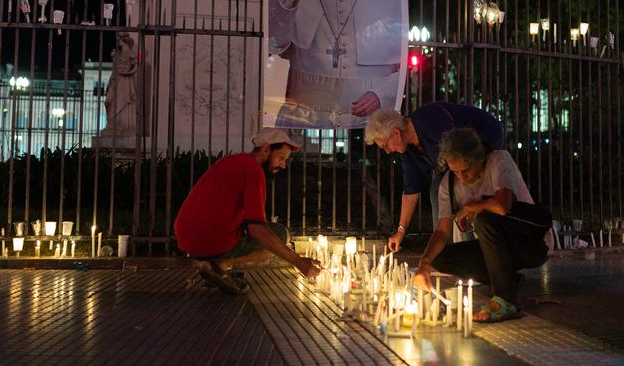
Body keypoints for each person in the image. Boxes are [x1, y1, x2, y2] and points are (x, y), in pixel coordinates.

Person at [412, 128, 551, 322]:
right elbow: (442, 232)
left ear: (480, 158)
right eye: (455, 171)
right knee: (440, 258)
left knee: (485, 218)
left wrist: (472, 206)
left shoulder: (498, 160)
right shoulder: (448, 184)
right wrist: (423, 264)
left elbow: (503, 206)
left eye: (466, 170)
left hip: (530, 243)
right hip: (496, 248)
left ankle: (506, 300)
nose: (462, 178)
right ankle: (508, 281)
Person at [174, 128, 321, 294]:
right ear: (266, 149)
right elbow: (257, 229)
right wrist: (299, 261)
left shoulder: (231, 161)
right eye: (281, 158)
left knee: (266, 235)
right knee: (281, 235)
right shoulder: (253, 170)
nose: (283, 165)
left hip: (186, 237)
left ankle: (213, 265)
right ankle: (221, 265)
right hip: (212, 239)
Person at [364, 102, 503, 252]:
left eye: (385, 145)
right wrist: (400, 231)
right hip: (455, 163)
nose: (388, 152)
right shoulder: (408, 151)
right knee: (438, 189)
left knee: (448, 189)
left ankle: (466, 249)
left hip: (483, 141)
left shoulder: (430, 120)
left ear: (396, 133)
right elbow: (411, 191)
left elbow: (459, 154)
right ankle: (446, 248)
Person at [268, 0, 402, 128]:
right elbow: (273, 44)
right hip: (304, 111)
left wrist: (381, 94)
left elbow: (406, 72)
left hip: (368, 119)